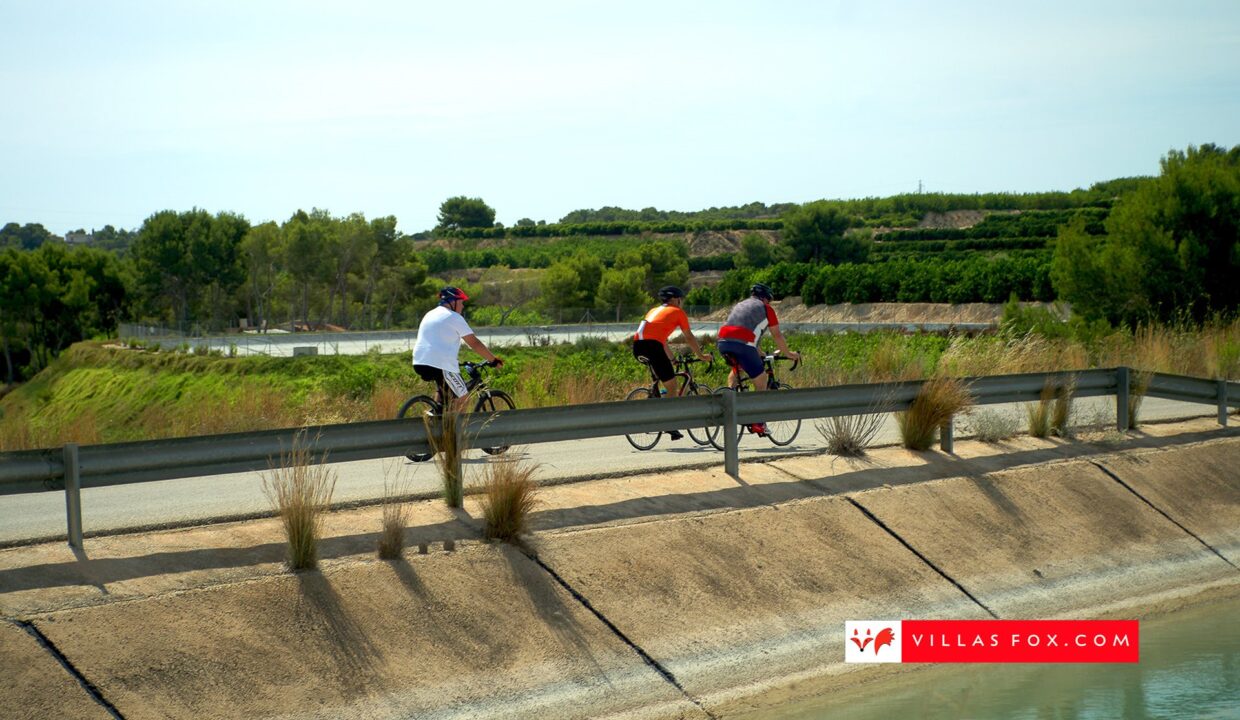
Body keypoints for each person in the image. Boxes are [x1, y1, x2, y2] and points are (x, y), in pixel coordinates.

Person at [716, 283, 801, 437]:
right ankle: (758, 422)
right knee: (761, 379)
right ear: (766, 298)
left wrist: (759, 352)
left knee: (736, 369)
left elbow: (747, 333)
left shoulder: (741, 304)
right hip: (743, 344)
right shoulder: (766, 309)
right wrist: (788, 353)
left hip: (723, 341)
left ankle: (730, 396)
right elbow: (777, 335)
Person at [632, 285, 712, 440]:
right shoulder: (678, 312)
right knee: (672, 385)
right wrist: (701, 355)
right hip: (652, 347)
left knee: (662, 377)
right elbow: (689, 336)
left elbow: (661, 341)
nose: (681, 302)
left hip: (637, 347)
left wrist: (672, 359)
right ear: (676, 299)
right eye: (680, 299)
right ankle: (668, 423)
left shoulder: (653, 310)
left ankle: (654, 399)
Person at [412, 287, 503, 412]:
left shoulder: (429, 314)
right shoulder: (453, 317)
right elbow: (474, 343)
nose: (463, 306)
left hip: (419, 361)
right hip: (441, 363)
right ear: (452, 302)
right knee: (463, 398)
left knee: (443, 392)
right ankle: (453, 430)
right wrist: (493, 360)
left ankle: (435, 418)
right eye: (461, 302)